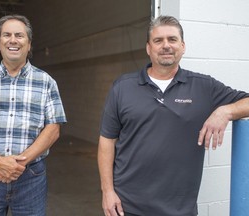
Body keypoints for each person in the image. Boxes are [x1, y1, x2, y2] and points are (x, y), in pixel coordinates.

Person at [97, 15, 249, 216]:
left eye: (172, 39)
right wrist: (107, 192)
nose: (166, 45)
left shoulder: (204, 87)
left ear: (183, 46)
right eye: (158, 40)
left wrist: (225, 111)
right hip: (127, 207)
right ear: (148, 48)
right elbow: (106, 141)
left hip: (180, 210)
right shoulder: (123, 87)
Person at [0, 14, 66, 216]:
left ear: (29, 44)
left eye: (19, 35)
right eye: (6, 35)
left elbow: (53, 130)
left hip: (31, 177)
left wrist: (19, 164)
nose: (13, 40)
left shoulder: (46, 82)